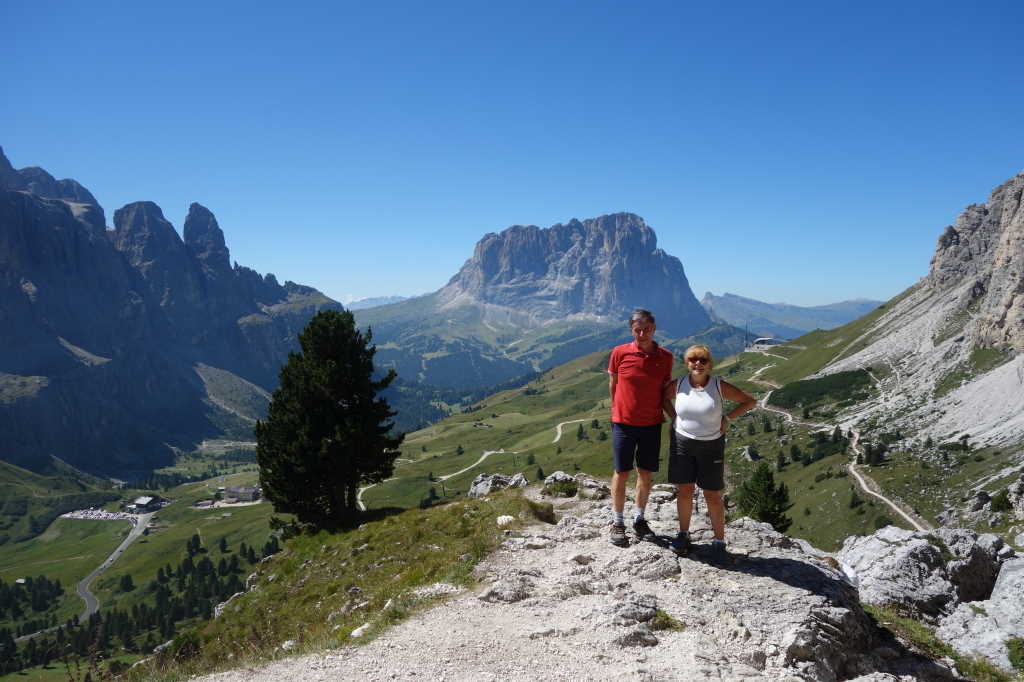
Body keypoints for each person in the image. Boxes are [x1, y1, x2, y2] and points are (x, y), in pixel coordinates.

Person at [663, 344, 756, 564]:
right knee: (684, 491)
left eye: (703, 360)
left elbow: (749, 401)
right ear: (686, 363)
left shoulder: (719, 386)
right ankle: (683, 535)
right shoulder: (678, 385)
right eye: (693, 360)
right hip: (682, 442)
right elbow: (662, 398)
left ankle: (719, 543)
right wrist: (673, 417)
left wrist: (728, 419)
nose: (697, 364)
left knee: (712, 495)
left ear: (709, 364)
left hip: (711, 445)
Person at [607, 309, 674, 546]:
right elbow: (613, 384)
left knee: (645, 474)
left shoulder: (666, 357)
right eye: (638, 329)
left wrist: (674, 416)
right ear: (631, 330)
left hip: (651, 424)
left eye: (647, 328)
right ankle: (617, 521)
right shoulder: (620, 353)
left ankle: (639, 518)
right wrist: (617, 411)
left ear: (654, 329)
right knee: (621, 472)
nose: (642, 333)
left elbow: (665, 390)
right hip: (623, 423)